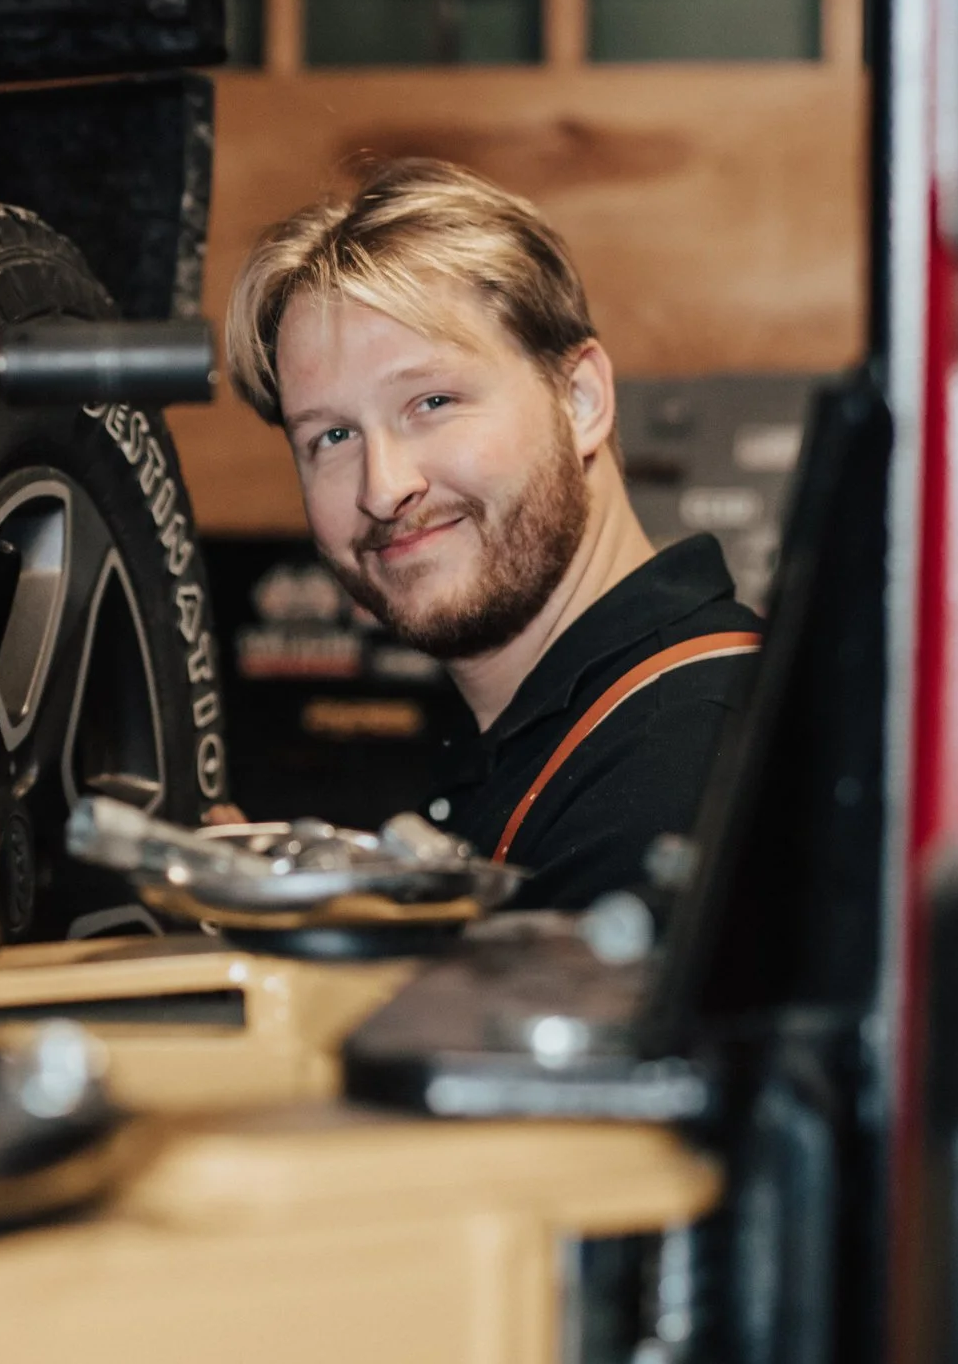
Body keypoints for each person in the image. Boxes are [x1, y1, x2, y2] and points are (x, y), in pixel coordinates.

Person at [222, 157, 762, 911]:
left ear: (580, 400)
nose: (383, 487)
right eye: (332, 436)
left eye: (432, 401)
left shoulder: (681, 762)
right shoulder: (539, 739)